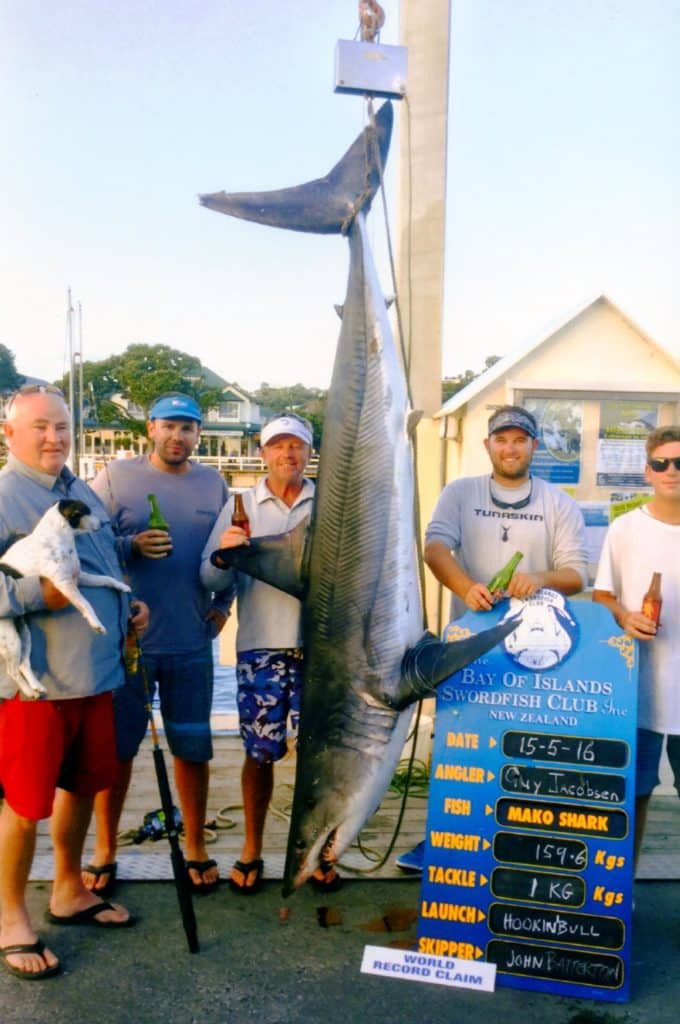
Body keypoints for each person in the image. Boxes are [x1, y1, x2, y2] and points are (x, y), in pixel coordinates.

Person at [396, 404, 588, 872]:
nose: (510, 447)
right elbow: (435, 547)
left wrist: (539, 578)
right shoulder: (460, 492)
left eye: (519, 439)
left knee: (529, 746)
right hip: (471, 642)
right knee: (460, 745)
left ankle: (523, 843)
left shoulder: (558, 501)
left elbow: (577, 573)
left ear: (533, 447)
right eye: (501, 439)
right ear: (487, 445)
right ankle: (442, 838)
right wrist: (465, 587)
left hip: (537, 647)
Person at [0, 385, 144, 981]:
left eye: (61, 426)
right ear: (9, 433)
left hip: (98, 675)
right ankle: (10, 918)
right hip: (36, 687)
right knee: (23, 805)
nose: (53, 437)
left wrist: (131, 609)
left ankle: (68, 890)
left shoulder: (80, 490)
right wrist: (42, 594)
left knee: (83, 787)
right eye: (39, 427)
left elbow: (105, 562)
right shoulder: (6, 495)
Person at [82, 392, 230, 897]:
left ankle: (195, 847)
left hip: (192, 643)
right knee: (116, 752)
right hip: (129, 646)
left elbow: (230, 549)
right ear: (149, 429)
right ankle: (104, 850)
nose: (177, 436)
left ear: (197, 436)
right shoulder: (115, 479)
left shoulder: (214, 483)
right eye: (168, 426)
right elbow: (83, 545)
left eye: (187, 428)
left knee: (193, 750)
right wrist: (131, 546)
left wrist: (223, 606)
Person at [200, 412, 336, 893]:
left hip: (323, 647)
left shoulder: (331, 501)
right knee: (260, 754)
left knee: (322, 756)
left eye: (296, 446)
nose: (288, 454)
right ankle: (252, 848)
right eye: (278, 446)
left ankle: (321, 848)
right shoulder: (242, 503)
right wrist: (224, 553)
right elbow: (210, 578)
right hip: (261, 645)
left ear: (308, 452)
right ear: (263, 453)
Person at [593, 425, 680, 868]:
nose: (672, 471)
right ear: (647, 471)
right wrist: (626, 616)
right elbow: (602, 596)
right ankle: (621, 891)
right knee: (633, 794)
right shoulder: (625, 528)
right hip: (638, 690)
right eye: (662, 463)